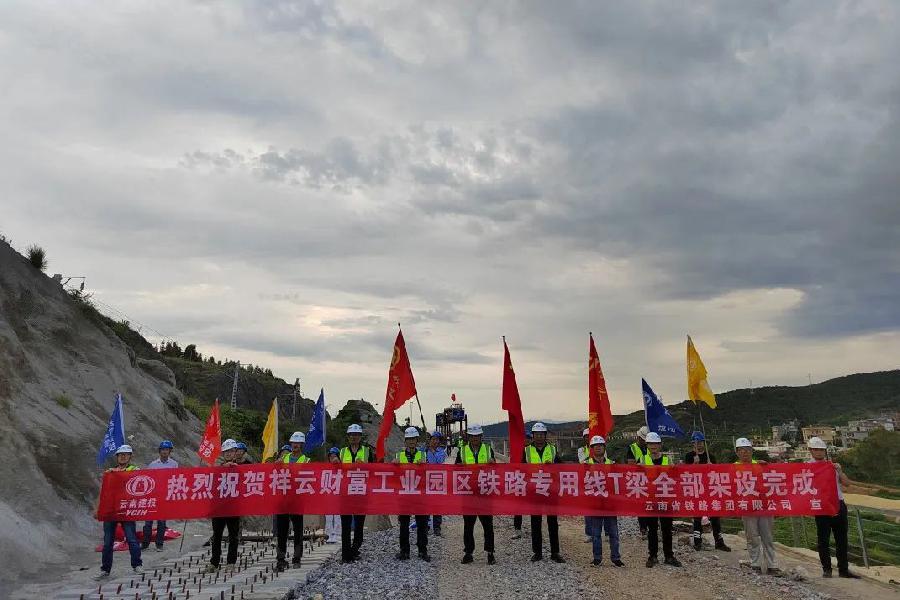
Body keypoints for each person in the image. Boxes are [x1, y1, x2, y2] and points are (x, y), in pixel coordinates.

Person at [808, 436, 860, 579]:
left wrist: (840, 471)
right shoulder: (807, 467)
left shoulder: (832, 466)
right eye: (816, 449)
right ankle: (827, 569)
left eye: (821, 450)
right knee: (823, 540)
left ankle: (843, 570)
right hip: (822, 506)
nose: (819, 452)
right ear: (810, 450)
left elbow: (847, 484)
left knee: (842, 539)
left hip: (838, 504)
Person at [734, 437, 780, 575]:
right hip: (747, 507)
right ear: (737, 452)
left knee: (768, 537)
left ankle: (772, 565)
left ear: (751, 451)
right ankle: (755, 564)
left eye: (747, 449)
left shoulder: (760, 465)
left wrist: (767, 467)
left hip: (764, 506)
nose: (745, 452)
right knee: (752, 537)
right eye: (741, 450)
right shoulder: (733, 468)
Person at [97, 445, 143, 579]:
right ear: (117, 457)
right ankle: (105, 569)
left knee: (131, 539)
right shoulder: (110, 473)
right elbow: (103, 493)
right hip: (111, 510)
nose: (123, 456)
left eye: (126, 454)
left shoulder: (135, 470)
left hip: (126, 509)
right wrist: (98, 508)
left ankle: (137, 565)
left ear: (130, 456)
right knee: (107, 542)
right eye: (120, 454)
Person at [524, 422, 565, 563]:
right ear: (533, 436)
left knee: (552, 523)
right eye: (537, 434)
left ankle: (555, 552)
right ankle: (537, 552)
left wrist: (553, 466)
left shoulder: (552, 449)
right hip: (534, 491)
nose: (539, 437)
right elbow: (520, 469)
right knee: (535, 523)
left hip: (550, 490)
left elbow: (562, 467)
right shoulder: (526, 451)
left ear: (545, 435)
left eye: (542, 434)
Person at [684, 432, 731, 552]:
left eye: (701, 442)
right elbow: (685, 474)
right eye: (696, 443)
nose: (699, 445)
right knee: (697, 516)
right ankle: (697, 542)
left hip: (710, 490)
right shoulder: (689, 456)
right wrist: (694, 464)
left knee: (715, 516)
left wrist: (712, 467)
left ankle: (719, 542)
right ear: (692, 444)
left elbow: (716, 474)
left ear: (704, 443)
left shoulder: (711, 457)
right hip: (696, 490)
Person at [457, 424, 496, 565]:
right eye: (472, 436)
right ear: (469, 437)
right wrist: (459, 466)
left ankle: (490, 553)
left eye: (477, 436)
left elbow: (495, 468)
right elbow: (455, 469)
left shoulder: (488, 449)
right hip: (468, 492)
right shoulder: (462, 450)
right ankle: (468, 552)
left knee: (488, 525)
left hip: (484, 491)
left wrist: (493, 463)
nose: (475, 439)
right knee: (468, 525)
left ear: (481, 437)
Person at [642, 432, 681, 568]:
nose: (653, 446)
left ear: (660, 445)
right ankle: (652, 556)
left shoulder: (667, 460)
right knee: (652, 529)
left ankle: (669, 556)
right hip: (651, 500)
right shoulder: (643, 460)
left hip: (666, 499)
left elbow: (675, 477)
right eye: (650, 444)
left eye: (655, 444)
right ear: (647, 445)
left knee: (667, 529)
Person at [585, 436, 625, 567]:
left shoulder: (612, 464)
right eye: (595, 446)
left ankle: (616, 557)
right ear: (591, 448)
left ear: (604, 448)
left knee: (613, 533)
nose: (598, 447)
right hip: (594, 503)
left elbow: (618, 482)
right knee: (596, 533)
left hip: (609, 503)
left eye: (601, 445)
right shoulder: (585, 465)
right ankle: (597, 558)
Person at [394, 427, 431, 561]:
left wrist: (424, 465)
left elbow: (429, 473)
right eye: (409, 439)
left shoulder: (423, 455)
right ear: (405, 441)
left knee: (422, 524)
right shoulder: (399, 456)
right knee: (404, 524)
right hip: (405, 495)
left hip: (419, 495)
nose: (411, 441)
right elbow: (394, 475)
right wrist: (394, 465)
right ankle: (404, 551)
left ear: (417, 440)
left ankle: (422, 550)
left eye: (413, 439)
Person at [275, 432, 309, 571]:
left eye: (298, 443)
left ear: (302, 444)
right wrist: (276, 466)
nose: (295, 445)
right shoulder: (283, 459)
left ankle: (297, 557)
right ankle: (280, 558)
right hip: (283, 499)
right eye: (294, 442)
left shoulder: (306, 461)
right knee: (282, 531)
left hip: (297, 500)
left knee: (298, 530)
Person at [206, 439, 241, 572]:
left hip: (233, 507)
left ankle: (231, 562)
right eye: (226, 451)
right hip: (219, 507)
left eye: (231, 451)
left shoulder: (242, 468)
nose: (228, 454)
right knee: (217, 535)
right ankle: (214, 563)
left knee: (233, 535)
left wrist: (236, 469)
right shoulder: (217, 468)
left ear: (236, 452)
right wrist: (222, 469)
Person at [339, 424, 371, 563]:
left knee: (359, 525)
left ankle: (355, 549)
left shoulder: (367, 452)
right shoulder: (342, 452)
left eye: (356, 435)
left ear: (360, 437)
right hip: (345, 493)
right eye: (351, 435)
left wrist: (364, 465)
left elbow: (375, 469)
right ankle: (346, 555)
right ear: (348, 437)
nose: (354, 437)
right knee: (345, 526)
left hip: (360, 493)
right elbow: (336, 469)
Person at [141, 440, 178, 551]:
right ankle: (145, 543)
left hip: (164, 496)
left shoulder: (174, 464)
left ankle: (159, 544)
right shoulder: (153, 465)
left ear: (170, 451)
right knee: (148, 522)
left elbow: (175, 479)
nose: (164, 452)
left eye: (167, 449)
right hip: (153, 496)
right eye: (162, 449)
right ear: (159, 451)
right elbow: (147, 480)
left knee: (161, 522)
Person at [627, 426, 650, 540]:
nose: (645, 442)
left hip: (650, 479)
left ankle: (652, 527)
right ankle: (643, 529)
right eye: (643, 440)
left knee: (651, 504)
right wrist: (639, 466)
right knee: (641, 505)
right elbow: (630, 465)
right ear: (639, 438)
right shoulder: (632, 448)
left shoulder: (649, 447)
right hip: (638, 480)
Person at [425, 430, 448, 536]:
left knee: (437, 504)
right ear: (429, 440)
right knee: (425, 503)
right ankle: (425, 525)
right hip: (425, 480)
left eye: (437, 440)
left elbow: (438, 462)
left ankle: (437, 527)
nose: (435, 441)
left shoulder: (441, 451)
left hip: (437, 480)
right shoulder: (424, 450)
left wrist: (432, 451)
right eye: (433, 439)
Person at [512, 431, 533, 540]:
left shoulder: (533, 451)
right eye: (525, 438)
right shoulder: (518, 451)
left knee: (534, 508)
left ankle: (535, 529)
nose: (526, 440)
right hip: (520, 482)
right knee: (518, 507)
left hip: (533, 483)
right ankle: (517, 530)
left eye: (528, 438)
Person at [577, 428, 592, 543]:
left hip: (599, 480)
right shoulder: (581, 450)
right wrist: (593, 455)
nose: (588, 438)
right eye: (586, 436)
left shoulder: (601, 448)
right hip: (586, 481)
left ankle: (606, 532)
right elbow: (583, 462)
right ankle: (589, 533)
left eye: (589, 436)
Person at [324, 447, 341, 543]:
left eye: (335, 456)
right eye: (331, 457)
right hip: (329, 494)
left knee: (338, 515)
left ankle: (338, 534)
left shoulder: (342, 468)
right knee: (329, 516)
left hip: (339, 495)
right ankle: (329, 534)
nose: (333, 458)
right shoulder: (326, 468)